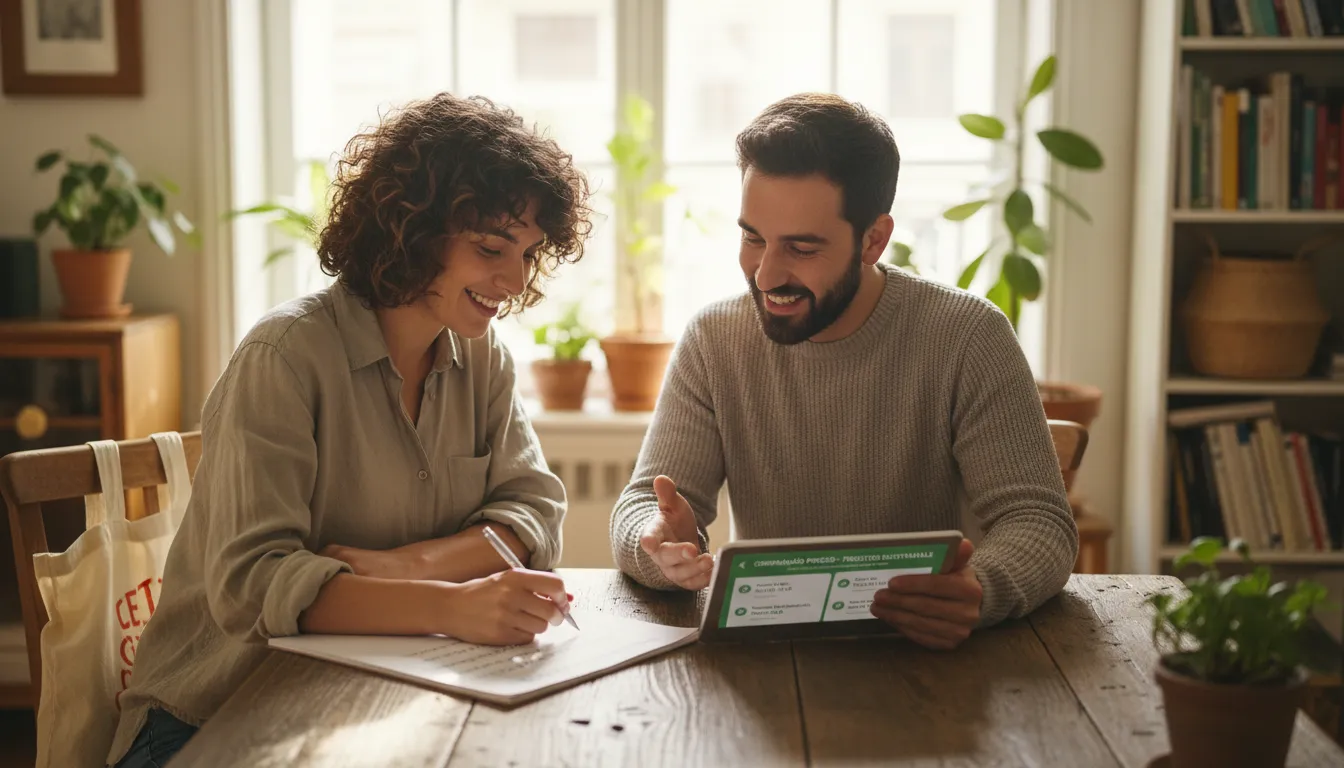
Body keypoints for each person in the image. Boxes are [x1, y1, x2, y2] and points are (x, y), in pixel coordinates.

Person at [108, 93, 594, 767]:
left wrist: (411, 568)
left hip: (378, 695)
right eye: (491, 249)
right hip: (212, 715)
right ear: (413, 230)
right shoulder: (284, 357)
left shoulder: (483, 360)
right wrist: (451, 607)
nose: (513, 281)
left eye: (528, 254)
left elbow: (533, 510)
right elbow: (253, 583)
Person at [610, 93, 1077, 650]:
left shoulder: (967, 335)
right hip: (766, 656)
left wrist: (981, 588)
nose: (765, 276)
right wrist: (657, 545)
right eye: (753, 238)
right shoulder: (714, 340)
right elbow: (644, 504)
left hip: (926, 660)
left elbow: (1040, 522)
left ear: (873, 240)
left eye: (801, 248)